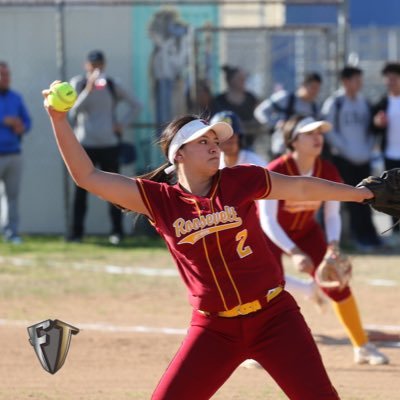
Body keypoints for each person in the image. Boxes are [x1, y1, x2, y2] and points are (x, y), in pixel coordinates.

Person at [44, 81, 379, 398]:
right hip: (214, 329)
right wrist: (58, 119)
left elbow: (302, 186)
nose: (214, 147)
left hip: (275, 318)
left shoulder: (241, 179)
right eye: (203, 142)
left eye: (216, 142)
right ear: (179, 154)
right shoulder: (158, 199)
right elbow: (87, 176)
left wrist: (360, 194)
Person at [258, 114, 389, 366]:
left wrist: (333, 246)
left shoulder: (327, 170)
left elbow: (331, 213)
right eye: (310, 133)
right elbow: (267, 221)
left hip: (307, 230)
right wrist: (294, 251)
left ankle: (361, 346)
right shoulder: (276, 170)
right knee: (264, 289)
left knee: (338, 282)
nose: (318, 137)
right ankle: (260, 349)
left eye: (320, 132)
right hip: (268, 235)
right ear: (293, 141)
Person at [213, 110, 326, 370]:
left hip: (254, 227)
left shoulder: (253, 161)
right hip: (224, 228)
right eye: (221, 139)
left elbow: (268, 202)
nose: (229, 143)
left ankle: (253, 343)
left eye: (234, 136)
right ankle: (308, 290)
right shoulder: (209, 163)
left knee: (260, 283)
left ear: (240, 138)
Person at [68, 50, 142, 244]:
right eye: (92, 65)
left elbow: (136, 105)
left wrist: (121, 125)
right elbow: (73, 111)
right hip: (85, 145)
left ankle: (117, 232)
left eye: (99, 65)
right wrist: (88, 90)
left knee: (114, 190)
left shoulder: (112, 84)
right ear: (86, 66)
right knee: (80, 190)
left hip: (109, 144)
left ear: (104, 65)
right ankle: (76, 234)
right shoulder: (79, 83)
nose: (96, 69)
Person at [321, 66, 382, 251]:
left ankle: (370, 235)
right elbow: (328, 131)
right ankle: (358, 237)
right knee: (353, 198)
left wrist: (368, 148)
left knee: (368, 197)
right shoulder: (335, 102)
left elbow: (371, 128)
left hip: (363, 158)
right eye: (356, 80)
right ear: (345, 81)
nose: (360, 84)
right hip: (344, 160)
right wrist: (346, 149)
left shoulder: (363, 102)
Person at [254, 72, 322, 159]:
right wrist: (275, 124)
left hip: (304, 154)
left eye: (317, 89)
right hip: (281, 150)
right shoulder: (286, 98)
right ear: (303, 85)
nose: (315, 92)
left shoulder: (315, 108)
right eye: (313, 87)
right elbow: (260, 111)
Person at [0, 61, 32, 244]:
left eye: (7, 74)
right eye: (2, 74)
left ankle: (11, 233)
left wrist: (22, 126)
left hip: (13, 154)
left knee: (11, 197)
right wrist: (5, 120)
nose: (5, 78)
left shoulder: (16, 98)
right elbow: (7, 119)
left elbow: (27, 121)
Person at [371, 61, 400, 237]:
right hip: (390, 154)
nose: (390, 82)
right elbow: (372, 128)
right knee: (393, 195)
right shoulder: (382, 103)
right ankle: (395, 232)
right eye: (387, 79)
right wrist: (377, 123)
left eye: (394, 78)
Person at [210, 65, 260, 147]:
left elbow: (258, 120)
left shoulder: (251, 98)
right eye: (240, 79)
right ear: (231, 81)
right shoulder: (219, 101)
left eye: (244, 78)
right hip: (226, 145)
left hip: (248, 144)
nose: (243, 81)